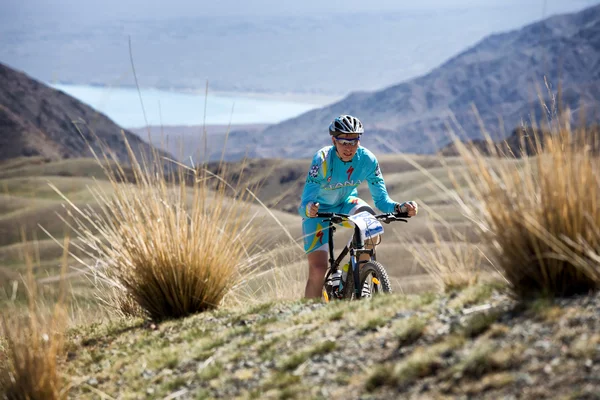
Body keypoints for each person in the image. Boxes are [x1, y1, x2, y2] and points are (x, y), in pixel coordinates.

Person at [298, 114, 418, 299]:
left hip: (346, 203)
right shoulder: (322, 159)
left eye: (353, 141)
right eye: (344, 142)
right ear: (333, 140)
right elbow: (305, 202)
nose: (349, 147)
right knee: (318, 269)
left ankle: (356, 278)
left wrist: (399, 207)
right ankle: (307, 315)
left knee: (372, 228)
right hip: (318, 211)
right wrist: (309, 209)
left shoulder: (367, 160)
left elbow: (381, 201)